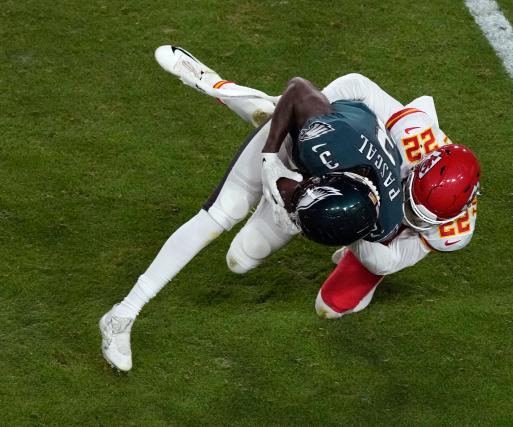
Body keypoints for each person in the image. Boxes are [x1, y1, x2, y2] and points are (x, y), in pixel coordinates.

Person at [99, 47, 407, 371]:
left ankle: (267, 112)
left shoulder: (383, 221)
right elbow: (298, 88)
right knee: (220, 215)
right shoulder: (327, 139)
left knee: (241, 260)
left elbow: (354, 234)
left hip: (330, 170)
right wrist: (271, 156)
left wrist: (308, 218)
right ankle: (122, 314)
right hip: (309, 136)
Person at [147, 47, 482, 320]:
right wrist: (325, 119)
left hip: (379, 235)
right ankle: (228, 91)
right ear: (419, 167)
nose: (408, 209)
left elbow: (389, 260)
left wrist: (355, 224)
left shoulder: (454, 233)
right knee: (242, 257)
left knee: (329, 307)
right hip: (348, 170)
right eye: (409, 195)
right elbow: (356, 86)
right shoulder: (413, 137)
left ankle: (278, 128)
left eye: (420, 215)